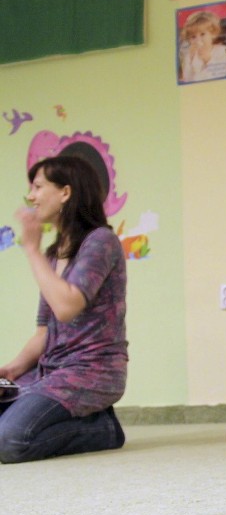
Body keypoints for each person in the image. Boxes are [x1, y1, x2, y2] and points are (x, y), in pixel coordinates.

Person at [0, 155, 128, 464]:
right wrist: (12, 370)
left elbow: (68, 305)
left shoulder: (101, 241)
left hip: (92, 373)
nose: (31, 196)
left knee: (10, 440)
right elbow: (46, 329)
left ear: (66, 193)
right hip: (51, 371)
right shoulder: (53, 252)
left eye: (38, 186)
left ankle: (105, 429)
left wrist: (30, 249)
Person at [179, 10, 226, 83]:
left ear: (213, 34)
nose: (198, 40)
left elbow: (221, 73)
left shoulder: (220, 50)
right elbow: (187, 78)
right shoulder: (190, 56)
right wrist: (190, 60)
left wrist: (208, 59)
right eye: (193, 37)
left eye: (202, 34)